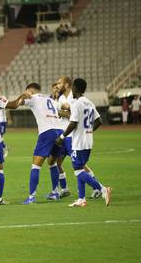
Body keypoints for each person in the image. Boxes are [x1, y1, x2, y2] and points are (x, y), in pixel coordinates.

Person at [55, 78, 112, 207]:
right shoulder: (89, 102)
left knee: (77, 171)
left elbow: (73, 123)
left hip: (78, 143)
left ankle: (103, 189)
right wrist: (88, 131)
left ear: (75, 88)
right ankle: (81, 199)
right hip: (88, 141)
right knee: (80, 168)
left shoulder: (76, 104)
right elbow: (99, 121)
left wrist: (62, 137)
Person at [20, 83, 65, 204]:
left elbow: (20, 102)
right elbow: (63, 108)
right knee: (52, 163)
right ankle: (55, 193)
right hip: (60, 132)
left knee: (36, 165)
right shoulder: (49, 99)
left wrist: (22, 97)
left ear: (31, 90)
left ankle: (31, 197)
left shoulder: (33, 98)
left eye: (28, 91)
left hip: (47, 132)